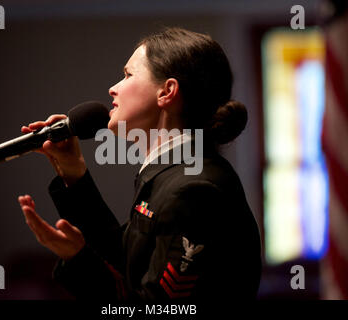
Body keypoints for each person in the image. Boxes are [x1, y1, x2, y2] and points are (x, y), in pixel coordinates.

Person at [18, 27, 261, 305]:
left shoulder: (194, 189)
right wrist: (73, 172)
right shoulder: (170, 174)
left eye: (128, 75)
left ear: (167, 91)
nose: (113, 88)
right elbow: (126, 259)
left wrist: (78, 260)